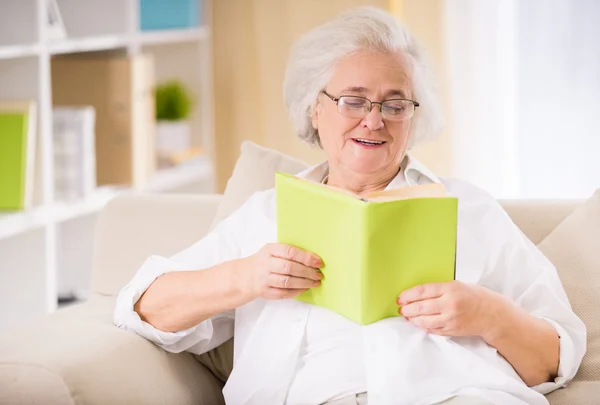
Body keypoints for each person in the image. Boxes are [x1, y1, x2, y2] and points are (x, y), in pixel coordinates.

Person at [114, 7, 586, 405]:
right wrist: (244, 276)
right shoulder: (265, 214)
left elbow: (556, 358)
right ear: (313, 109)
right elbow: (145, 309)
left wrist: (489, 314)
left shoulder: (467, 209)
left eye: (395, 104)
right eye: (353, 100)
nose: (374, 121)